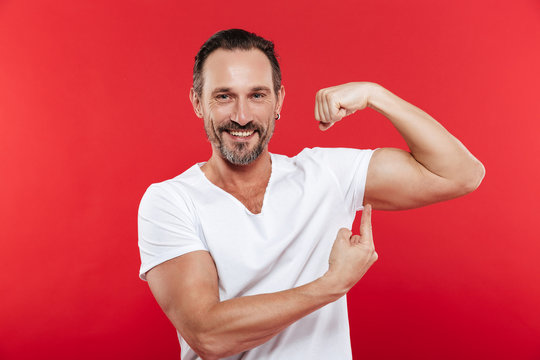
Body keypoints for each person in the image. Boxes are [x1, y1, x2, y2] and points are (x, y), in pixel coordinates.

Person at [137, 29, 485, 360]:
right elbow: (207, 335)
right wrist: (331, 285)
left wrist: (374, 94)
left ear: (278, 101)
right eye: (224, 96)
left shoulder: (326, 174)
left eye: (257, 95)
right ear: (198, 102)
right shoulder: (170, 201)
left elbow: (460, 174)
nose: (241, 116)